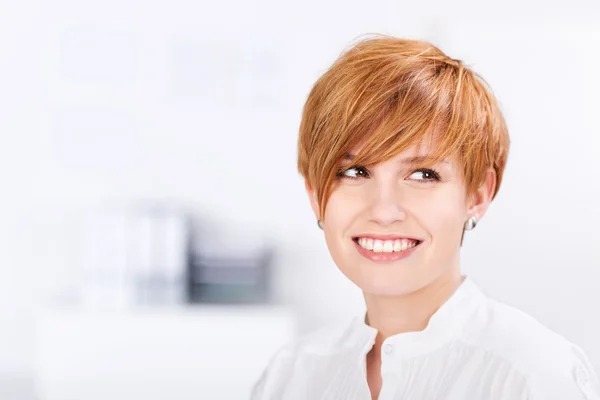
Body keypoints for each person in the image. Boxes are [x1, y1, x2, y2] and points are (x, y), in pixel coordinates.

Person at [250, 35, 600, 399]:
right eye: (354, 172)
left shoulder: (531, 376)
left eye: (423, 175)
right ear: (315, 195)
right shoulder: (291, 376)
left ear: (477, 195)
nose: (384, 210)